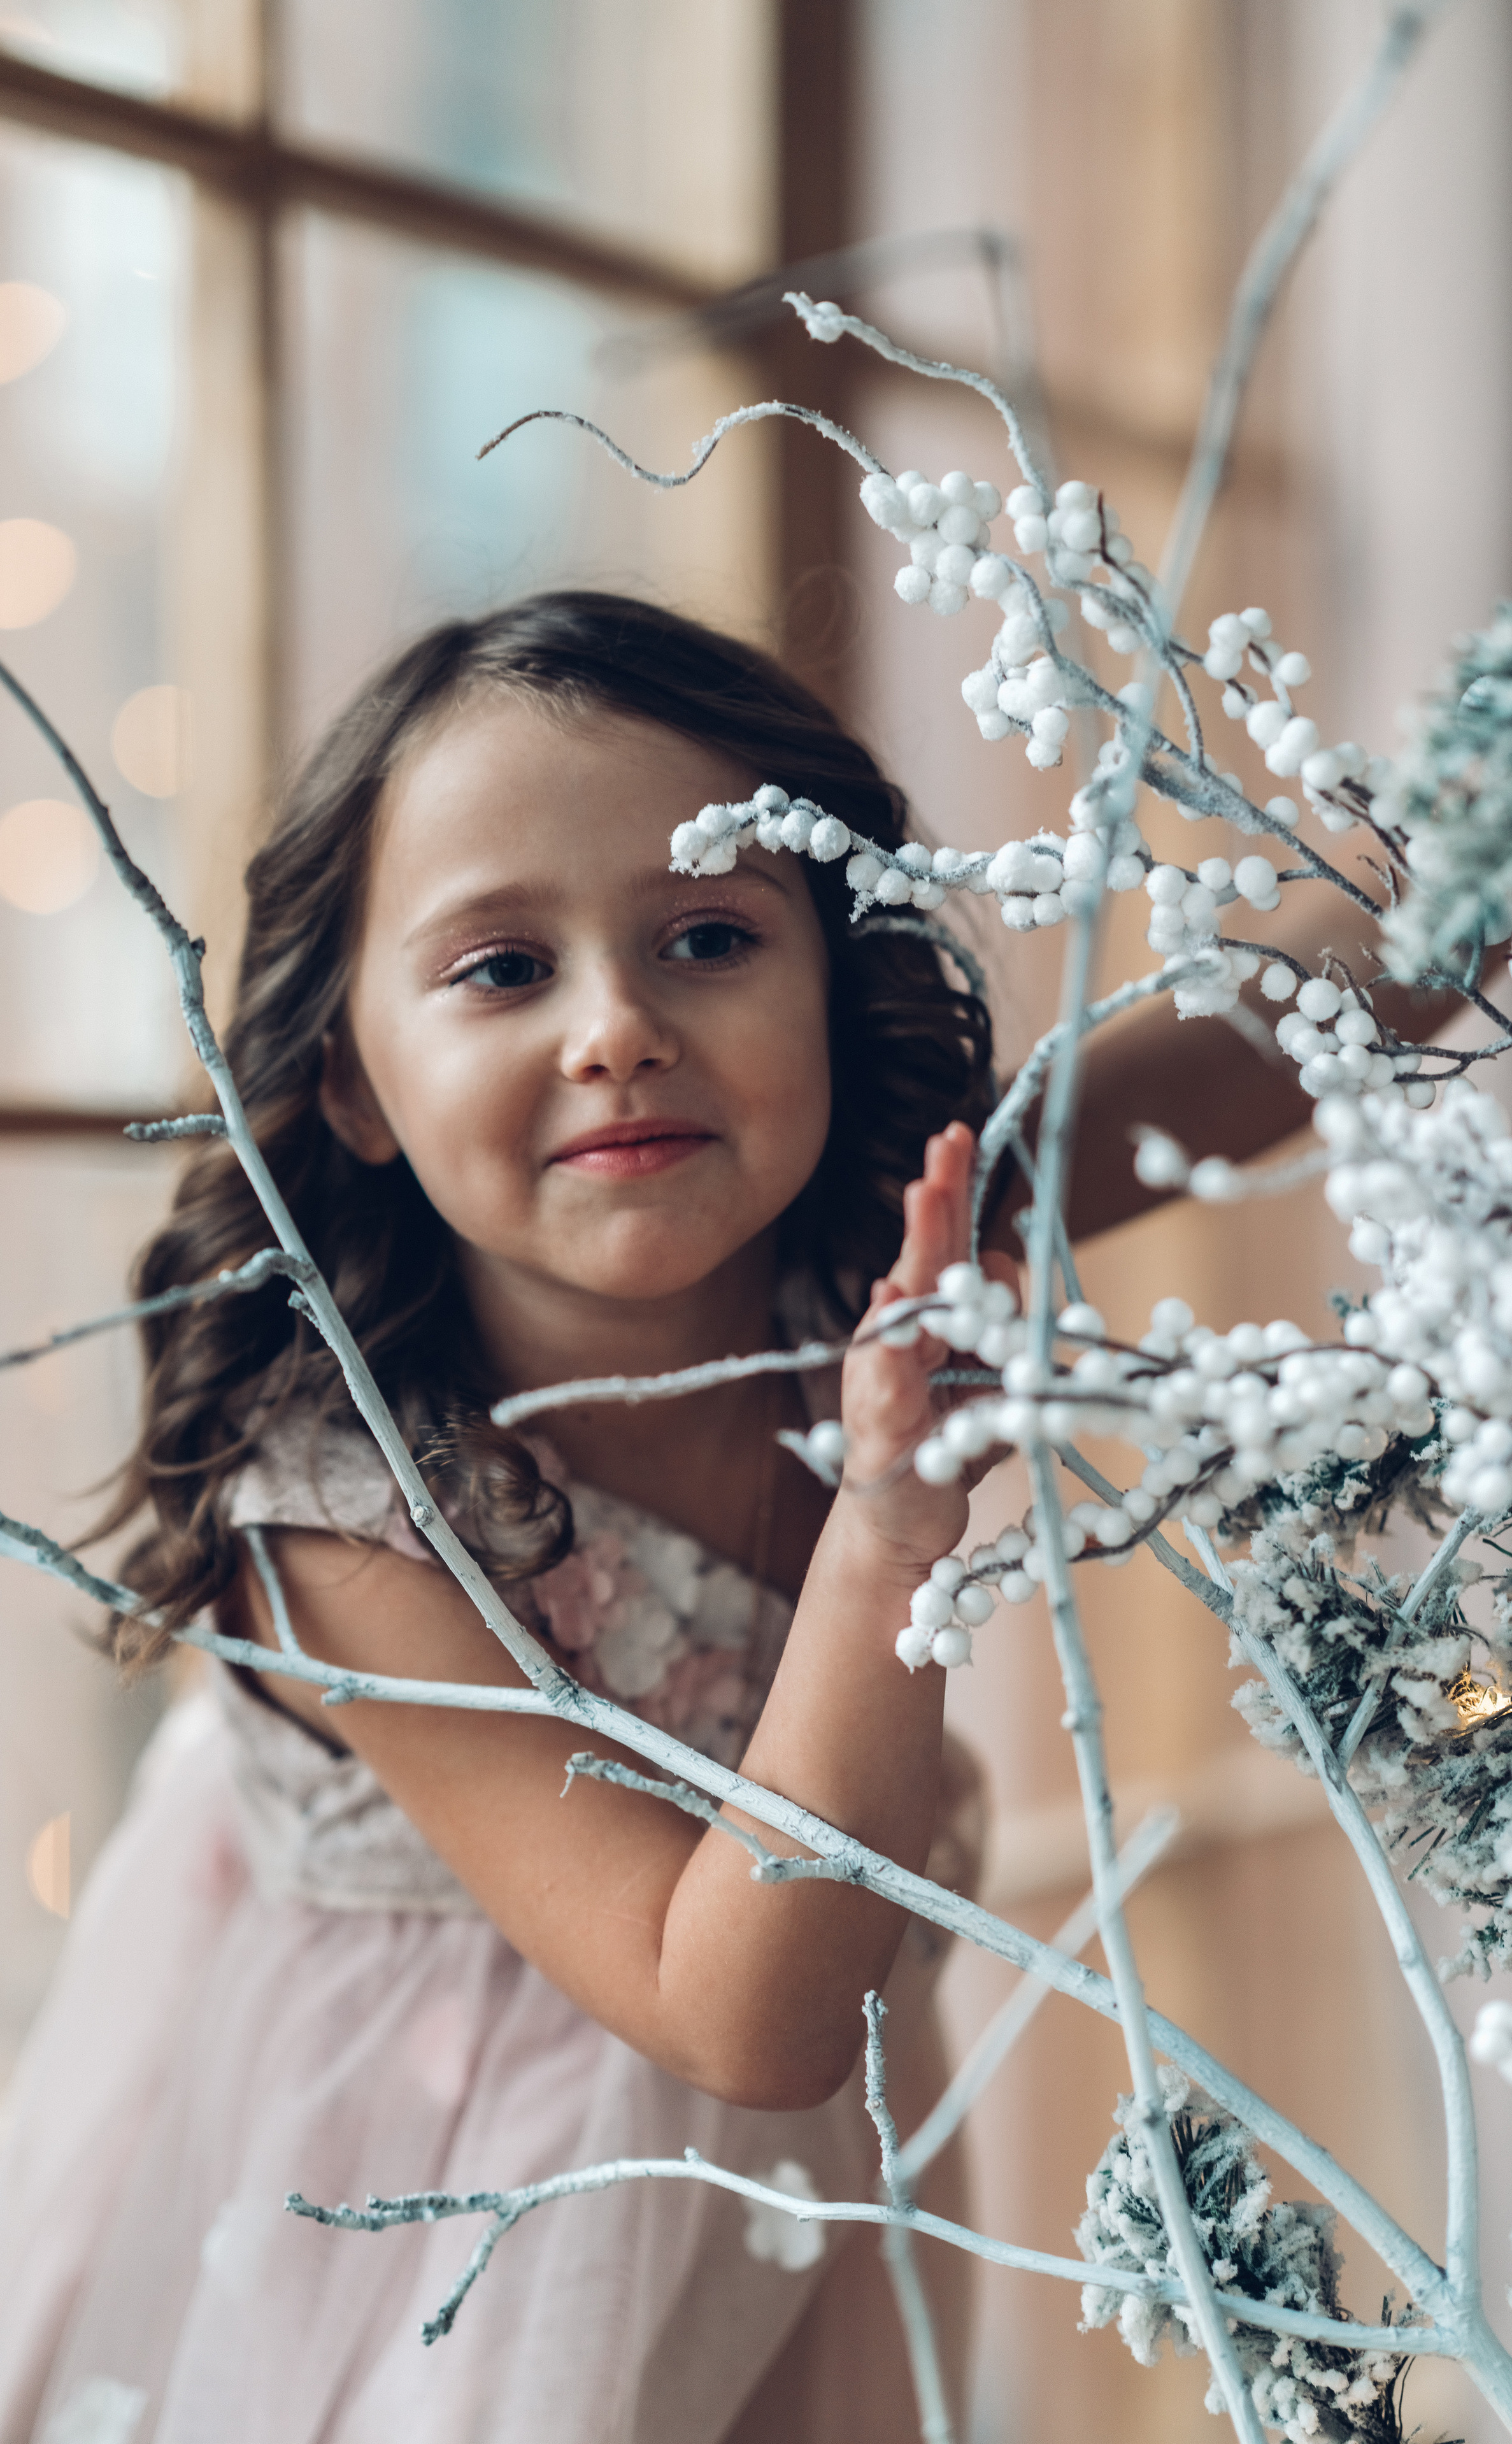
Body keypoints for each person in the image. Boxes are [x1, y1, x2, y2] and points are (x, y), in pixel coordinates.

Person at [0, 590, 1388, 2444]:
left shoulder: (888, 1248)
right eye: (504, 969)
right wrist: (884, 1530)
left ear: (834, 972)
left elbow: (1304, 1006)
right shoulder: (346, 1508)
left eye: (710, 936)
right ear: (349, 1080)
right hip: (435, 2224)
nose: (620, 1030)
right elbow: (737, 2015)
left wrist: (1508, 810)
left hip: (785, 2199)